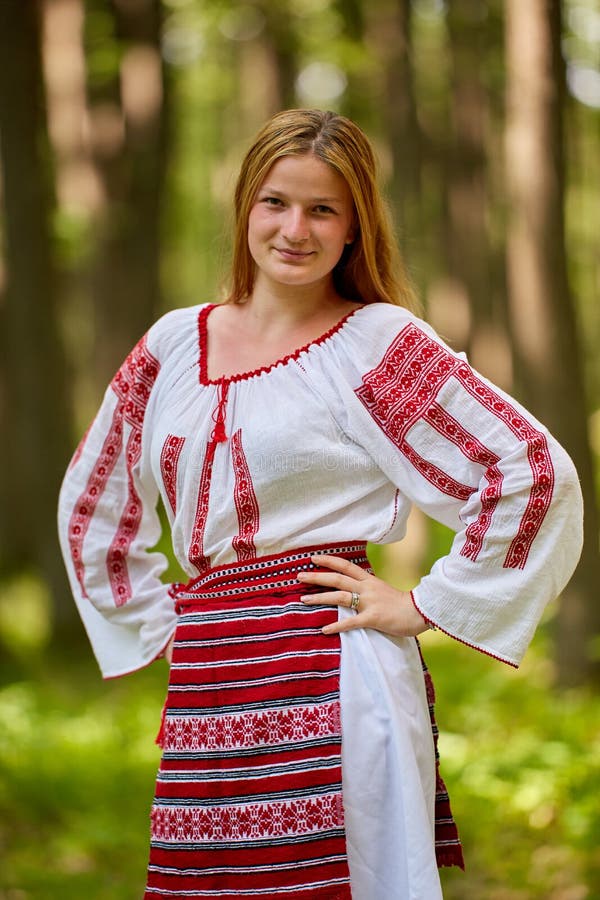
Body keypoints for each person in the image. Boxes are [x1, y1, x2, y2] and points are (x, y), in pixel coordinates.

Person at [57, 108, 583, 900]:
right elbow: (94, 495)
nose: (294, 228)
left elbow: (530, 468)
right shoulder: (172, 344)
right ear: (244, 209)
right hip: (211, 678)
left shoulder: (374, 341)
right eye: (275, 202)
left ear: (353, 228)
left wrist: (426, 604)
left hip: (333, 662)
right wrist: (161, 624)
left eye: (322, 209)